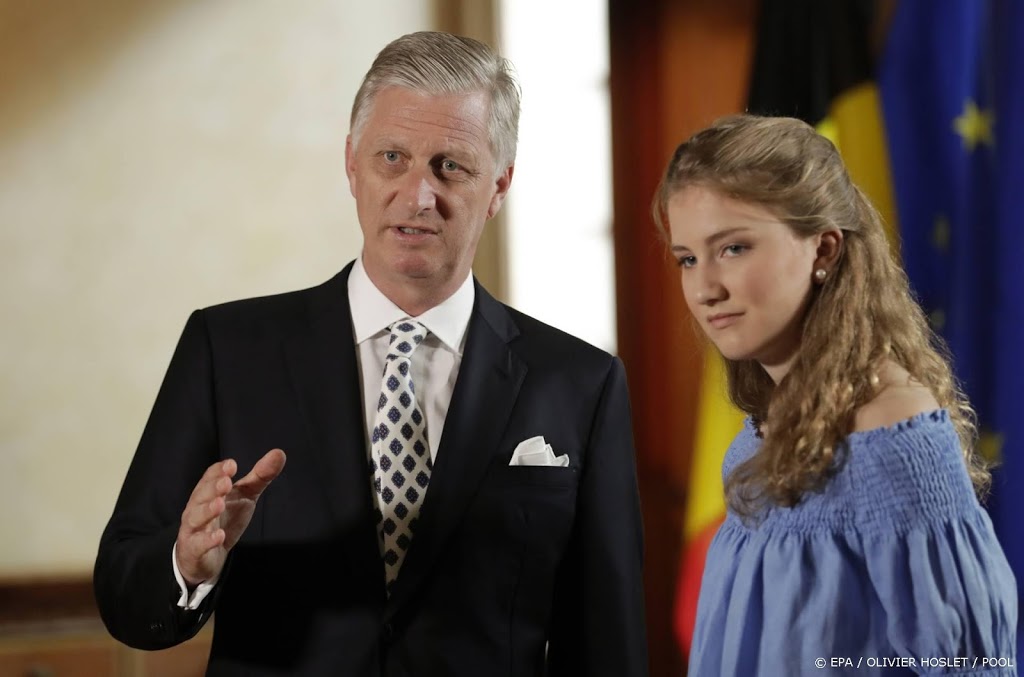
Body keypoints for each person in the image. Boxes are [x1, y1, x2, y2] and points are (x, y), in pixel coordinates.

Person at [94, 31, 648, 677]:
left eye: (451, 166)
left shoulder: (581, 383)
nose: (418, 195)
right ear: (352, 164)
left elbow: (607, 643)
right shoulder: (228, 350)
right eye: (392, 158)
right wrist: (186, 566)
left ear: (499, 185)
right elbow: (125, 592)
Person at [654, 114, 1017, 676]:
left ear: (823, 249)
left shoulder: (891, 437)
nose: (705, 288)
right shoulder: (757, 435)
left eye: (734, 248)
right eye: (688, 258)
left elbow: (966, 661)